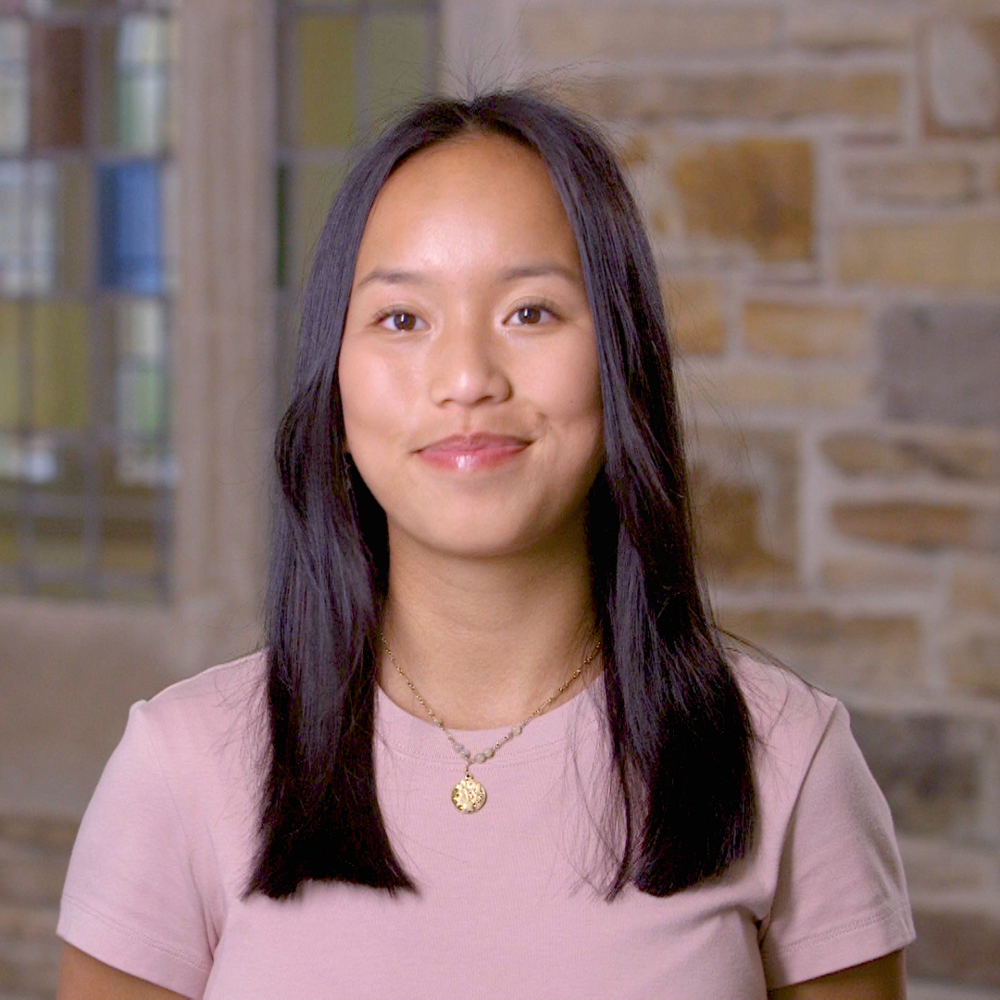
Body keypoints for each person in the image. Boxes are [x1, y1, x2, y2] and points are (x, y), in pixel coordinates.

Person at [56, 90, 915, 998]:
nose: (467, 379)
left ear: (621, 361)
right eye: (402, 319)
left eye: (531, 312)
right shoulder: (182, 767)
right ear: (335, 386)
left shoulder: (786, 760)